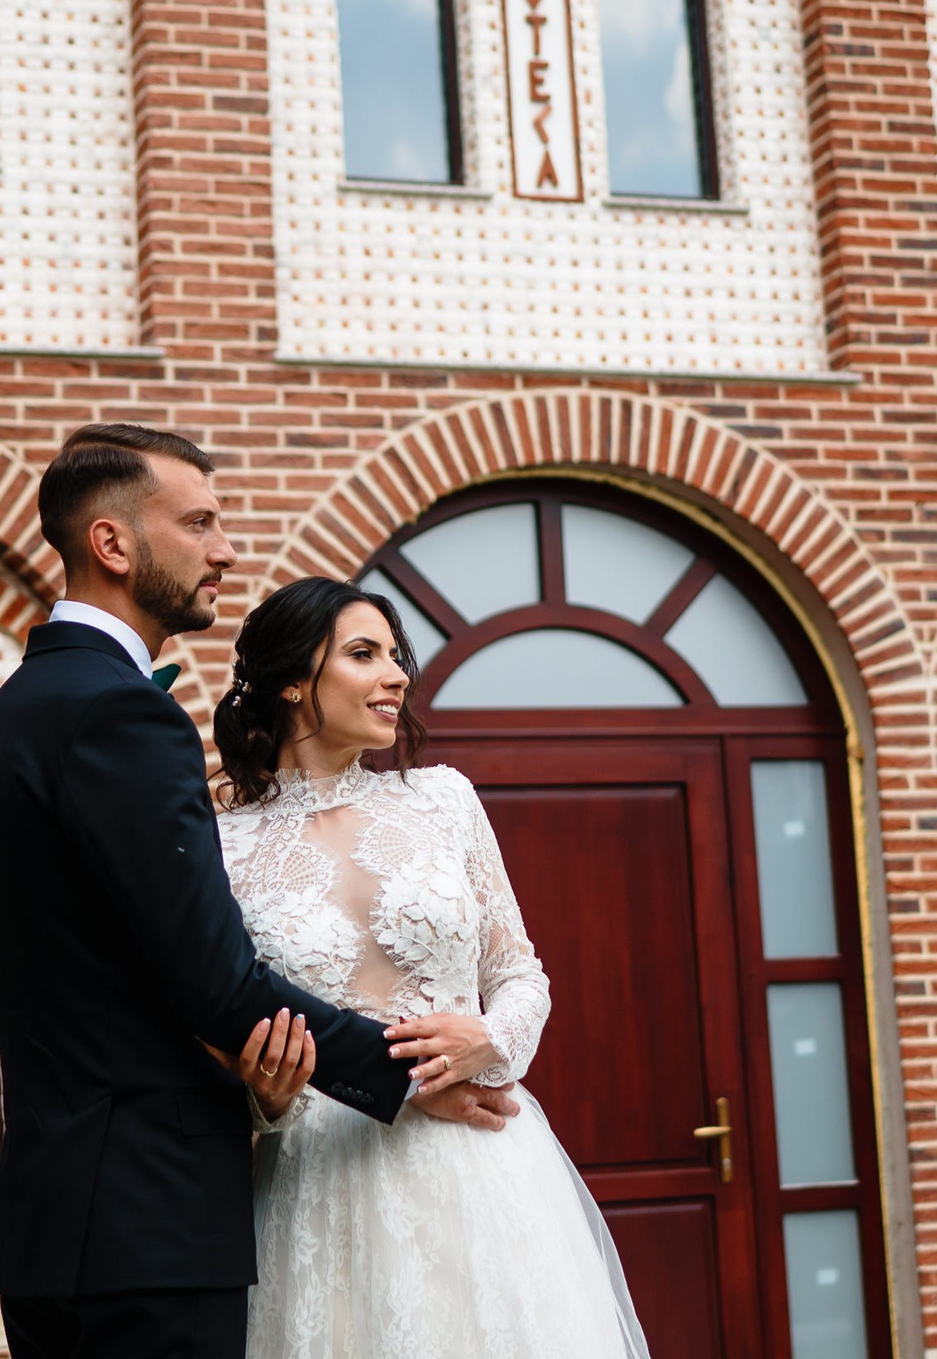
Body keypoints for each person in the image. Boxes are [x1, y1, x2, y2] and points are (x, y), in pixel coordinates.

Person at [0, 425, 517, 1359]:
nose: (225, 549)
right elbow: (217, 984)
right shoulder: (120, 714)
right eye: (200, 522)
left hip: (61, 1221)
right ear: (115, 544)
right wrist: (412, 1075)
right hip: (150, 1226)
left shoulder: (7, 721)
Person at [212, 576, 651, 1358]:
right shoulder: (221, 845)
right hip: (322, 1189)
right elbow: (229, 1023)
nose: (397, 674)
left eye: (396, 655)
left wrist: (492, 1040)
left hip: (481, 1170)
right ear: (289, 680)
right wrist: (266, 1102)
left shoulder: (443, 800)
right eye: (362, 653)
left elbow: (522, 972)